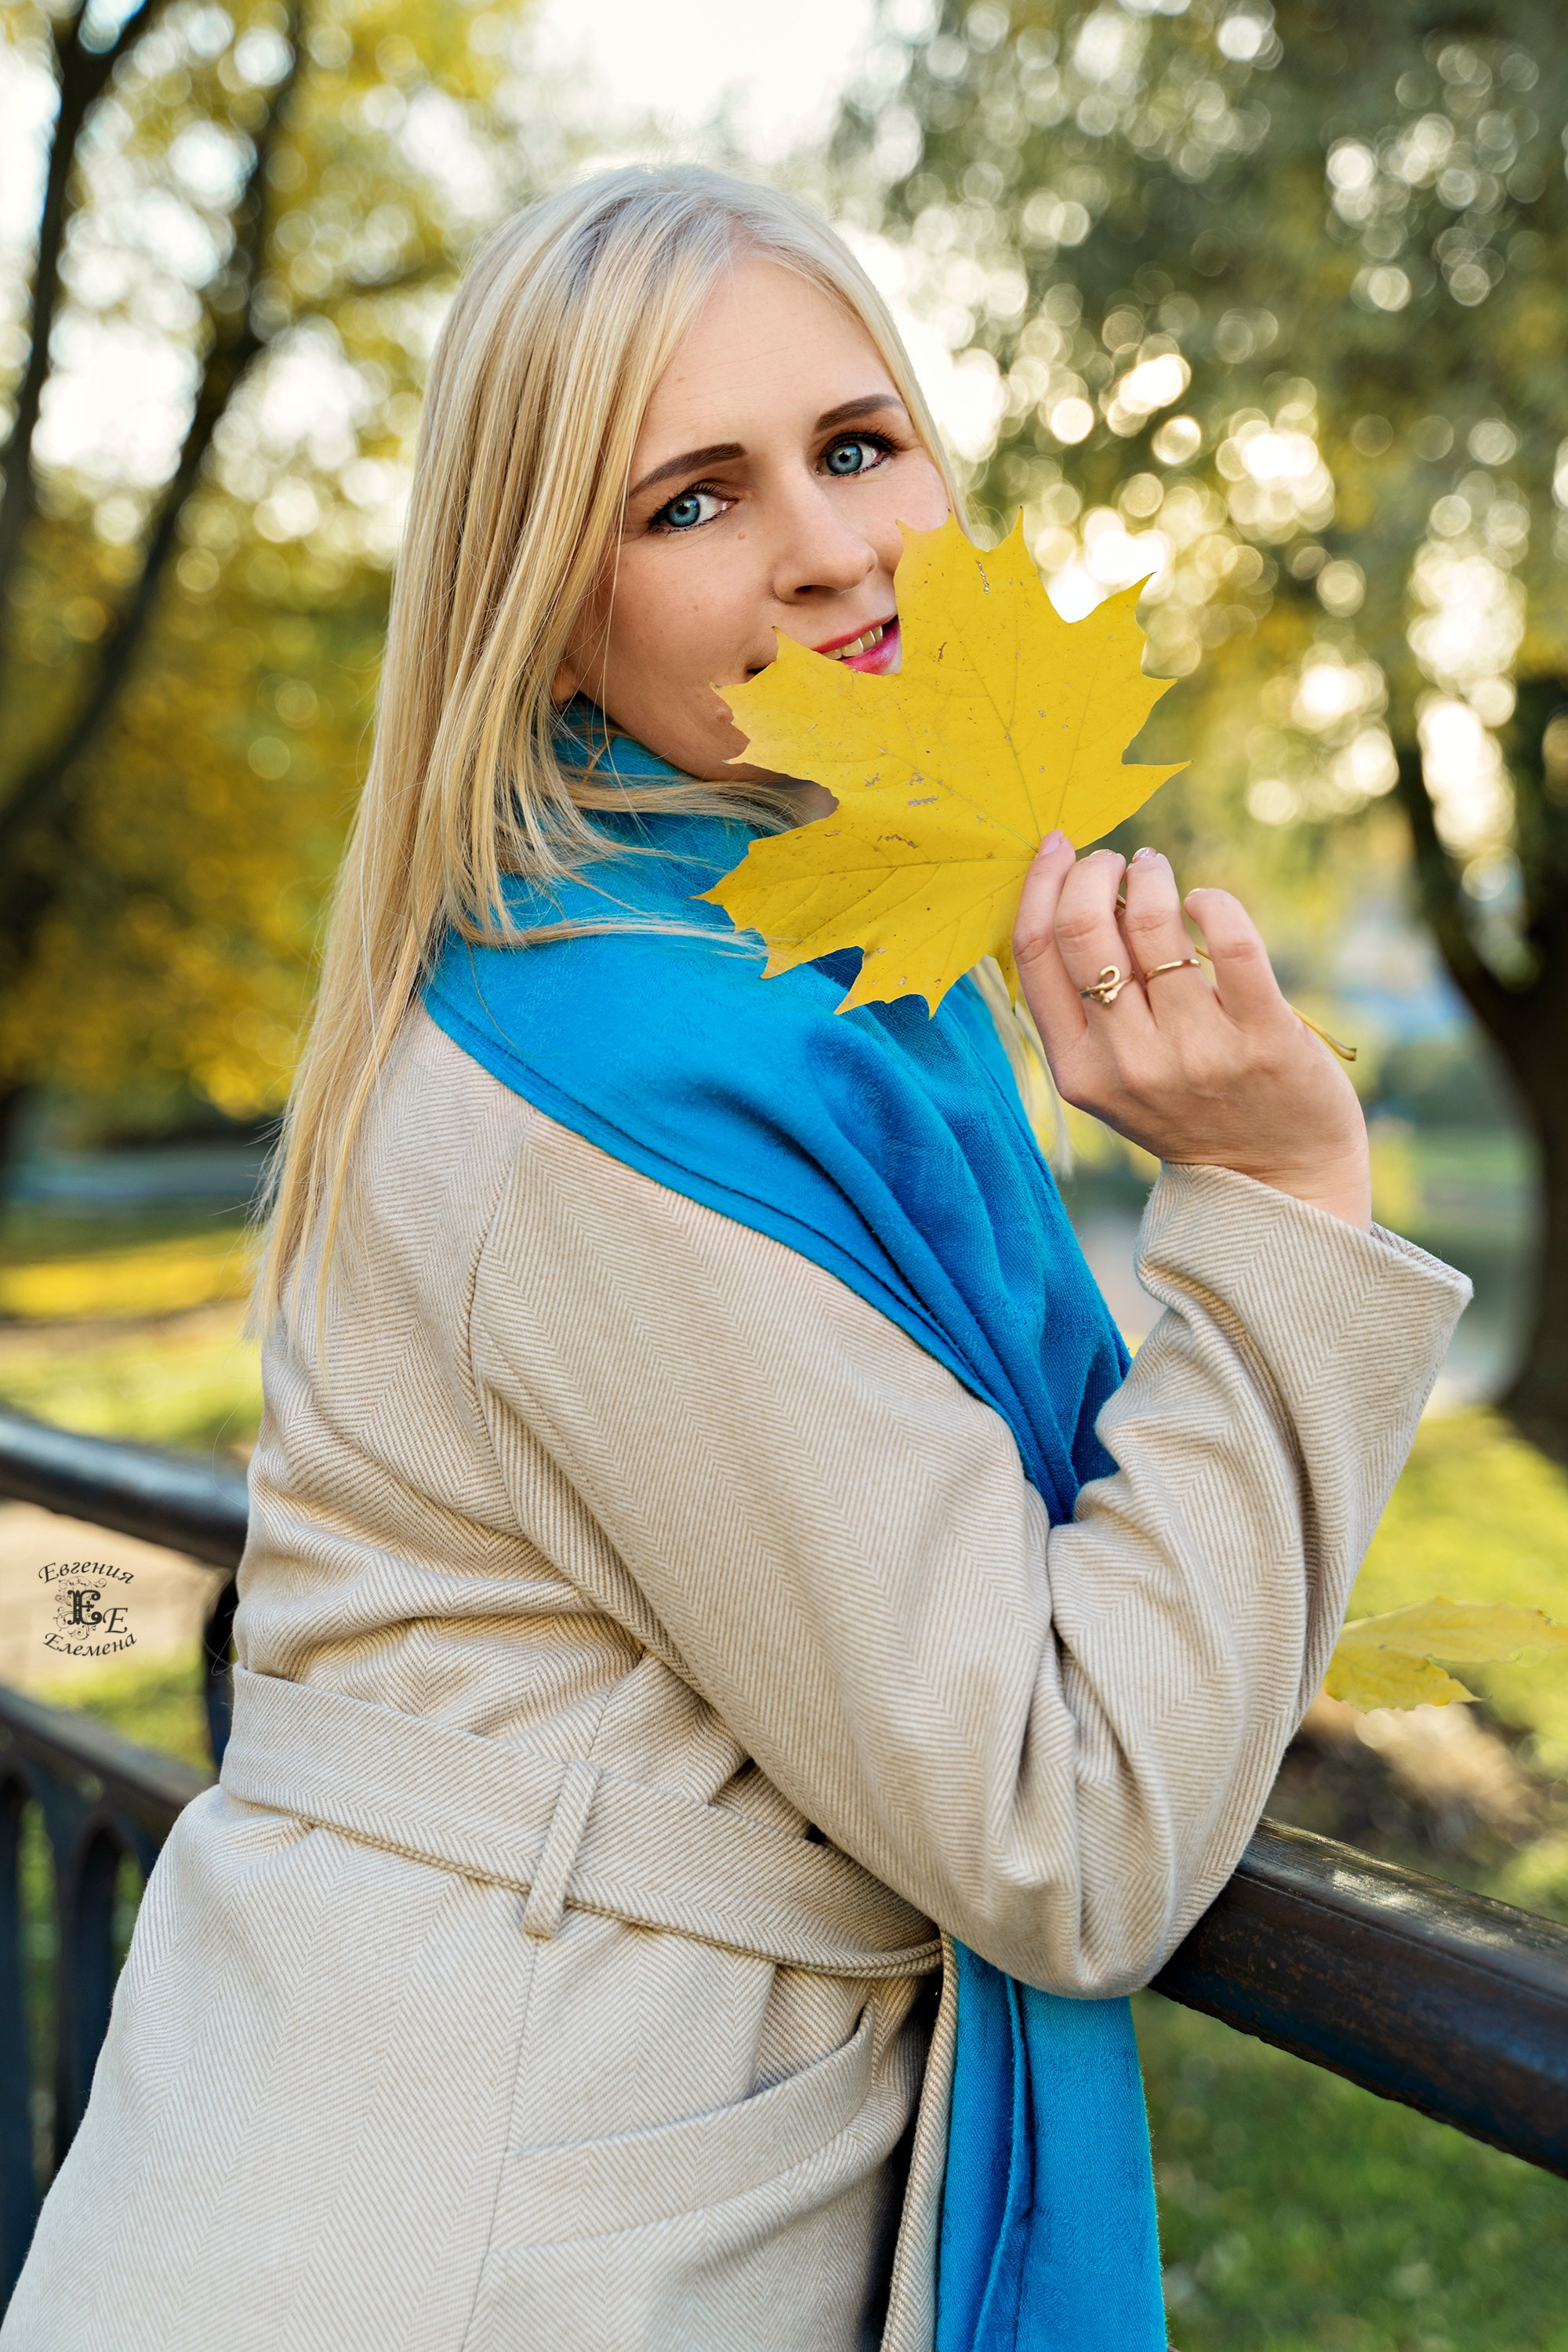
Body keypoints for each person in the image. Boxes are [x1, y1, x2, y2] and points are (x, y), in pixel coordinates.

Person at [3, 166, 1467, 2352]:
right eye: (690, 500)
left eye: (859, 446)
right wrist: (1279, 1196)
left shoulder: (767, 966)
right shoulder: (630, 1075)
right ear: (549, 610)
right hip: (467, 2248)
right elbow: (1062, 1832)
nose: (827, 547)